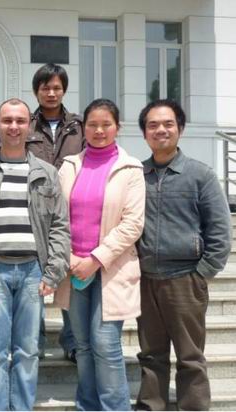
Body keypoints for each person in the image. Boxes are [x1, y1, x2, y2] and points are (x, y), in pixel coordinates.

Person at [0, 98, 70, 410]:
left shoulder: (46, 172)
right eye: (7, 120)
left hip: (33, 271)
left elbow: (60, 224)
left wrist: (53, 271)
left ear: (29, 125)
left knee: (28, 351)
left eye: (20, 120)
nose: (14, 126)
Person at [135, 99, 232, 411]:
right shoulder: (137, 174)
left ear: (180, 129)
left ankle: (193, 407)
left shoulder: (200, 175)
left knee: (190, 355)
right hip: (146, 280)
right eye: (153, 125)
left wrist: (202, 273)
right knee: (151, 354)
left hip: (185, 280)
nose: (160, 130)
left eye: (168, 124)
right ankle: (151, 405)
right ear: (144, 133)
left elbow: (220, 230)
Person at [55, 98, 145, 410]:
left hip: (110, 269)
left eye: (106, 124)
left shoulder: (131, 169)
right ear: (83, 128)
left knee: (105, 344)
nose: (99, 130)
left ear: (117, 127)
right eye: (92, 124)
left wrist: (94, 259)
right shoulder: (69, 166)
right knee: (82, 345)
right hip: (73, 268)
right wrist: (68, 257)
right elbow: (55, 217)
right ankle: (88, 406)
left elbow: (133, 224)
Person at [27, 63, 85, 362]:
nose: (51, 93)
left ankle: (72, 340)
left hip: (71, 211)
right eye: (45, 88)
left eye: (56, 88)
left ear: (64, 90)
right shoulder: (26, 124)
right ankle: (34, 341)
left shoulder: (79, 126)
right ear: (36, 91)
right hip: (33, 212)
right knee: (34, 278)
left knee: (68, 278)